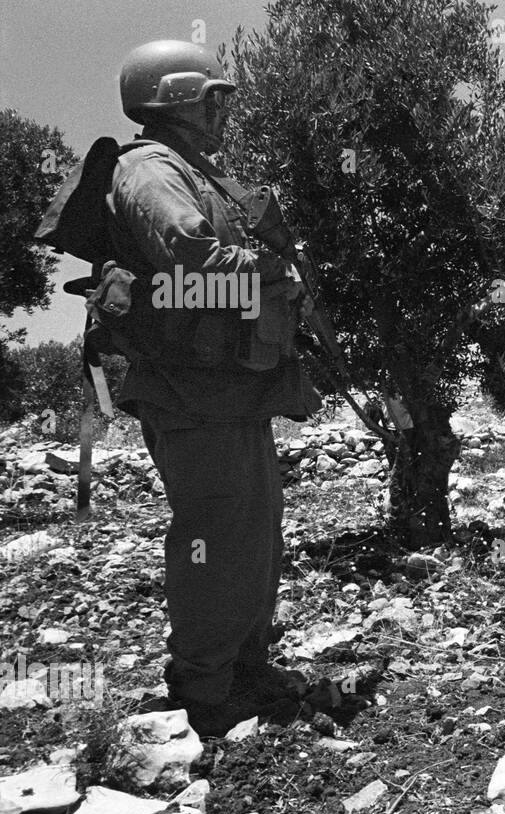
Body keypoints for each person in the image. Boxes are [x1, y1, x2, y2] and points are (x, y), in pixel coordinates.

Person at [110, 39, 323, 734]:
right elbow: (190, 261)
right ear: (175, 98)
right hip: (188, 390)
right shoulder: (148, 169)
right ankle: (203, 690)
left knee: (255, 532)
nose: (223, 111)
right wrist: (270, 272)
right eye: (213, 98)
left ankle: (247, 666)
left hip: (229, 389)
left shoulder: (199, 171)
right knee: (213, 535)